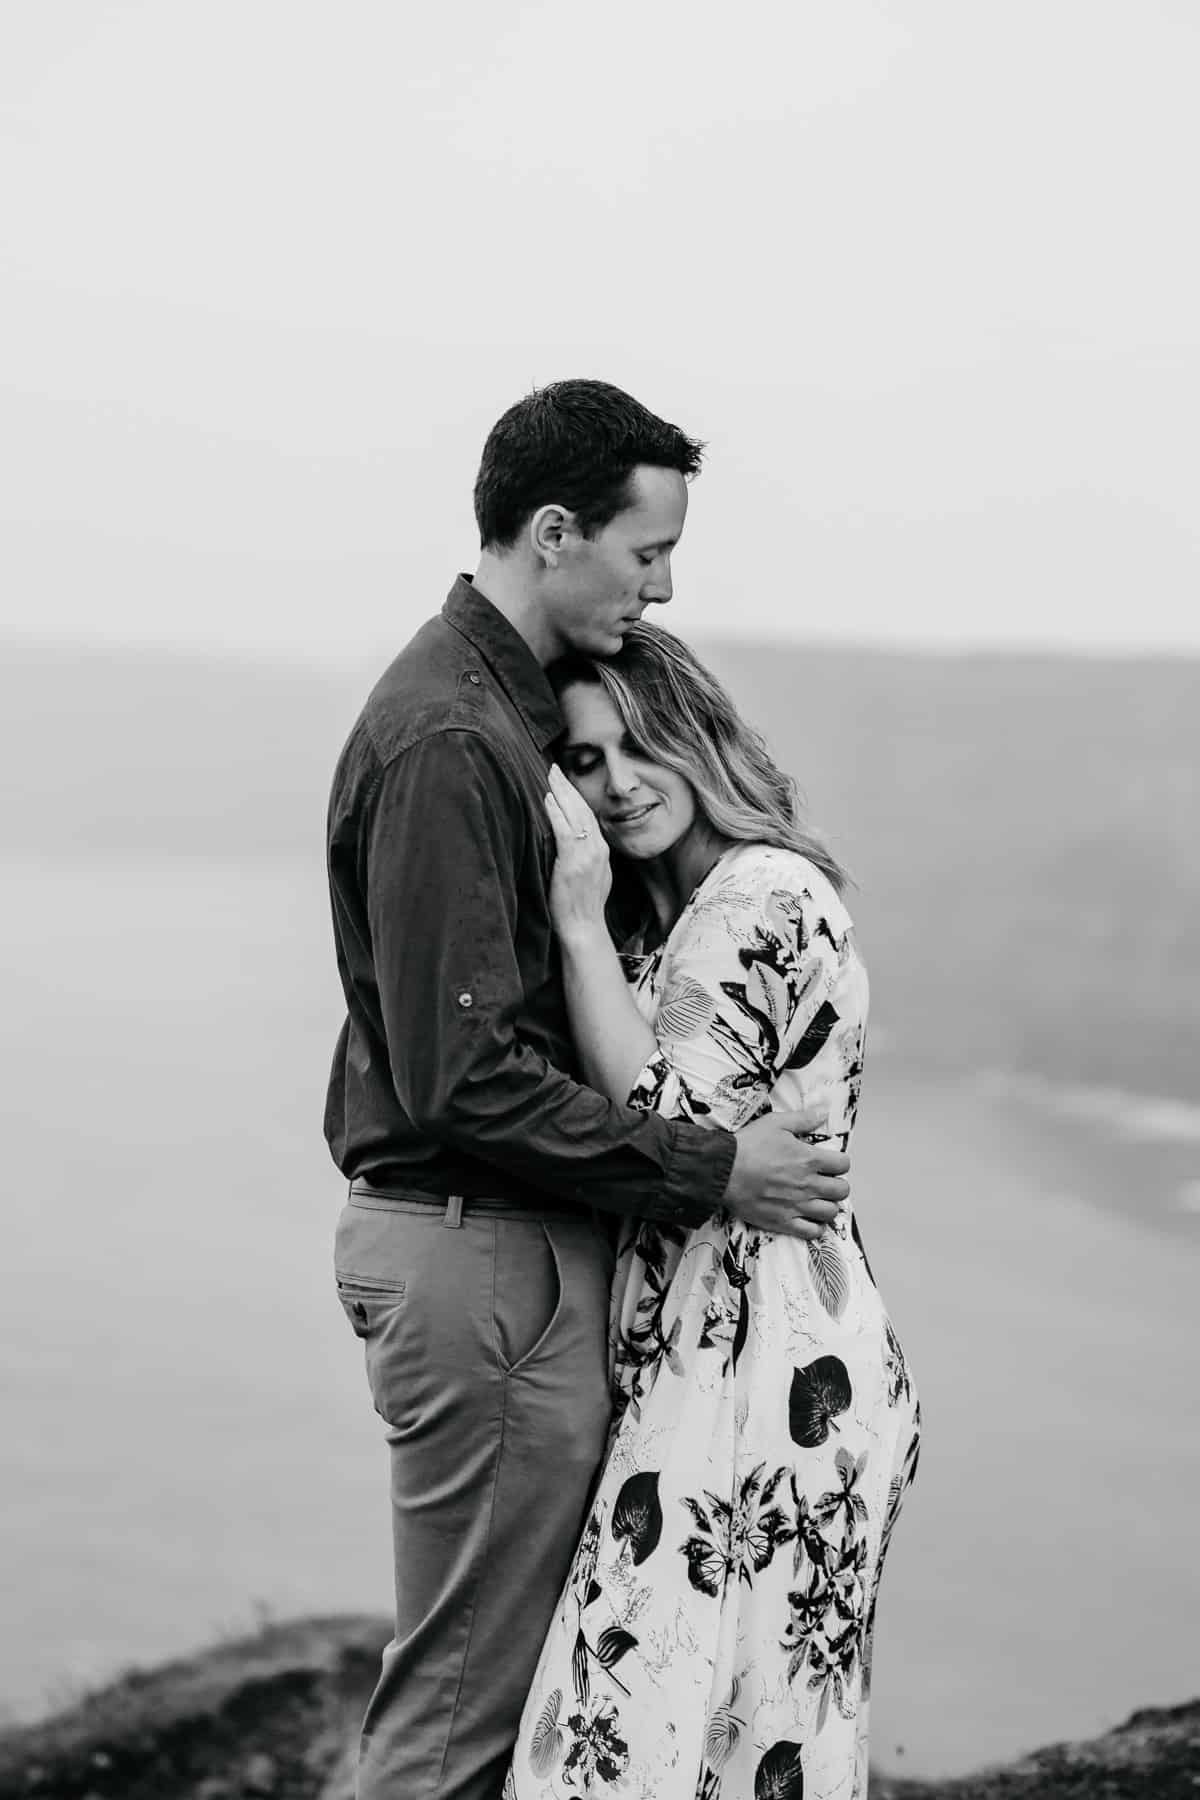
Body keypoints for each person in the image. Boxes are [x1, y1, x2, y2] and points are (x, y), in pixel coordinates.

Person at [324, 380, 852, 1800]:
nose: (663, 585)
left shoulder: (499, 720)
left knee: (501, 1704)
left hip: (496, 1253)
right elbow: (462, 1080)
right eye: (646, 551)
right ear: (555, 532)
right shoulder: (454, 738)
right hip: (477, 1248)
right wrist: (714, 1168)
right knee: (459, 1725)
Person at [504, 625, 920, 1800]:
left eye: (642, 745)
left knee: (656, 1741)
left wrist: (578, 923)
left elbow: (670, 1130)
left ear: (700, 738)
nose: (620, 782)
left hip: (770, 1369)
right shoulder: (670, 922)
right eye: (583, 763)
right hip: (713, 1354)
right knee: (703, 1736)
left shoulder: (763, 892)